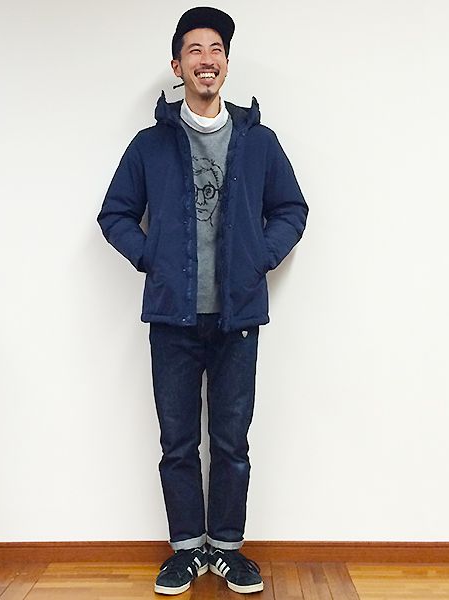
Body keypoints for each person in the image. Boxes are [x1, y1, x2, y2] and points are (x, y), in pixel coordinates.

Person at [97, 6, 308, 595]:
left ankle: (228, 550)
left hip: (238, 315)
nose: (206, 60)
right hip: (173, 317)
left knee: (232, 441)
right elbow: (115, 215)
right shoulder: (150, 146)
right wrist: (151, 256)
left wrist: (260, 256)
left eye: (216, 49)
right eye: (194, 50)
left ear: (227, 64)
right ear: (178, 65)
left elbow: (292, 209)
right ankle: (187, 551)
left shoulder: (259, 141)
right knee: (178, 442)